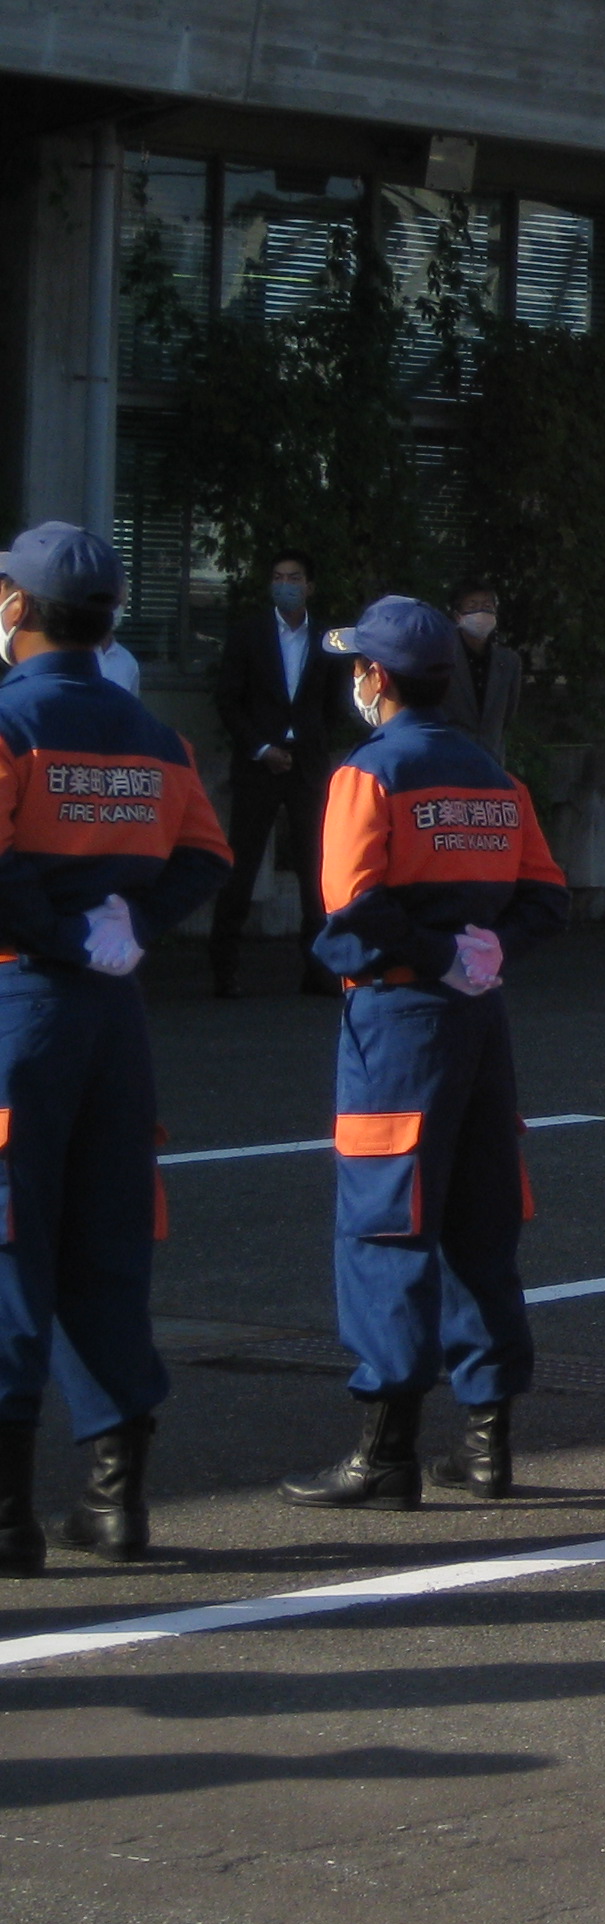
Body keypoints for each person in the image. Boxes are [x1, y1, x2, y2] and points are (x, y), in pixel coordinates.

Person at [278, 598, 567, 1511]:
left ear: (379, 679)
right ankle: (487, 1446)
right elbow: (546, 895)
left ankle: (386, 1452)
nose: (356, 678)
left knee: (387, 1224)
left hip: (400, 1021)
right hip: (483, 1022)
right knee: (482, 1222)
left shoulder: (368, 775)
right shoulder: (492, 774)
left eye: (360, 666)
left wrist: (438, 953)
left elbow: (349, 907)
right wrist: (489, 950)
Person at [0, 525, 231, 1573]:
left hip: (20, 1006)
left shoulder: (8, 722)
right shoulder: (154, 737)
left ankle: (9, 1518)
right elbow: (207, 855)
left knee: (11, 1246)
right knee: (108, 1246)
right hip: (114, 1017)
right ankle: (115, 1500)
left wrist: (57, 933)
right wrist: (128, 929)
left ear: (18, 607)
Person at [209, 548, 336, 998]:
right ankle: (224, 970)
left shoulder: (325, 638)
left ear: (309, 586)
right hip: (258, 763)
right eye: (279, 577)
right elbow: (228, 698)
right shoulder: (249, 634)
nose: (286, 584)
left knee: (315, 869)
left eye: (295, 577)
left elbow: (335, 703)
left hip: (307, 765)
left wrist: (315, 746)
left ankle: (319, 970)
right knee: (241, 865)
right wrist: (261, 747)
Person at [447, 578, 521, 760]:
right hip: (449, 759)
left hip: (491, 761)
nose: (481, 611)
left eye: (487, 606)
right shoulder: (442, 656)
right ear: (458, 615)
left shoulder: (509, 661)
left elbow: (508, 714)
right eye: (472, 606)